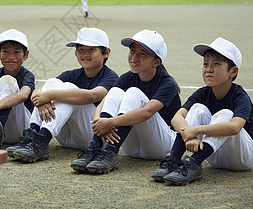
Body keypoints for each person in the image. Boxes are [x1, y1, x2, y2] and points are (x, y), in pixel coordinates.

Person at [152, 37, 253, 185]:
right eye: (205, 64)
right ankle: (173, 159)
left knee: (226, 114)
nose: (209, 69)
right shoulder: (202, 93)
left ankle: (193, 162)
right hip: (214, 155)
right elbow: (176, 117)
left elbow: (235, 127)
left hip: (242, 157)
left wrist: (196, 130)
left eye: (216, 64)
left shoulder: (240, 96)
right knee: (197, 109)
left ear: (233, 71)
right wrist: (190, 135)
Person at [71, 29, 181, 174]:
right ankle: (96, 148)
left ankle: (110, 151)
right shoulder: (127, 77)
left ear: (157, 61)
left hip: (162, 145)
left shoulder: (167, 82)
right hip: (132, 149)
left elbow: (147, 112)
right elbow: (105, 101)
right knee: (116, 91)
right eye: (132, 51)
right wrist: (98, 121)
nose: (134, 57)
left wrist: (110, 122)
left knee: (133, 92)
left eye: (142, 54)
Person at [8, 27, 118, 163]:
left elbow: (92, 95)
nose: (85, 54)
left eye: (91, 49)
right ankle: (33, 136)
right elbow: (37, 92)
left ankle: (42, 139)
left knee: (69, 89)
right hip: (65, 137)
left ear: (106, 53)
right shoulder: (72, 74)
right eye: (81, 50)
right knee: (52, 82)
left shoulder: (111, 77)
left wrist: (49, 95)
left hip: (90, 136)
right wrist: (43, 100)